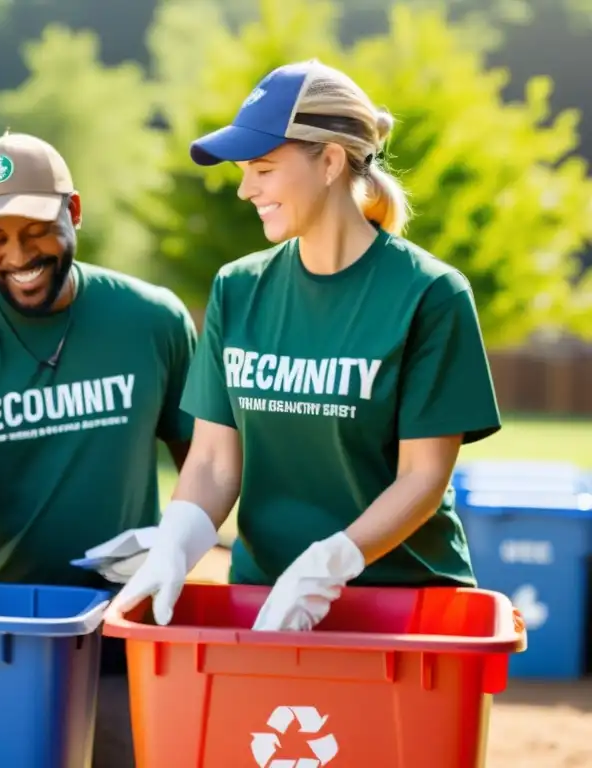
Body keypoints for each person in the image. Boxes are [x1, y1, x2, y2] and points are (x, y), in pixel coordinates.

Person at [113, 59, 502, 632]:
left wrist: (327, 566)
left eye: (264, 169)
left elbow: (423, 478)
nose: (246, 189)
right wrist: (177, 540)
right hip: (265, 602)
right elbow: (216, 460)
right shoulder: (238, 289)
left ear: (330, 161)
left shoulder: (430, 295)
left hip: (405, 610)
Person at [0, 132, 199, 766]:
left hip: (125, 620)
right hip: (1, 630)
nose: (17, 255)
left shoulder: (153, 321)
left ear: (73, 212)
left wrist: (178, 538)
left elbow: (207, 461)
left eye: (35, 230)